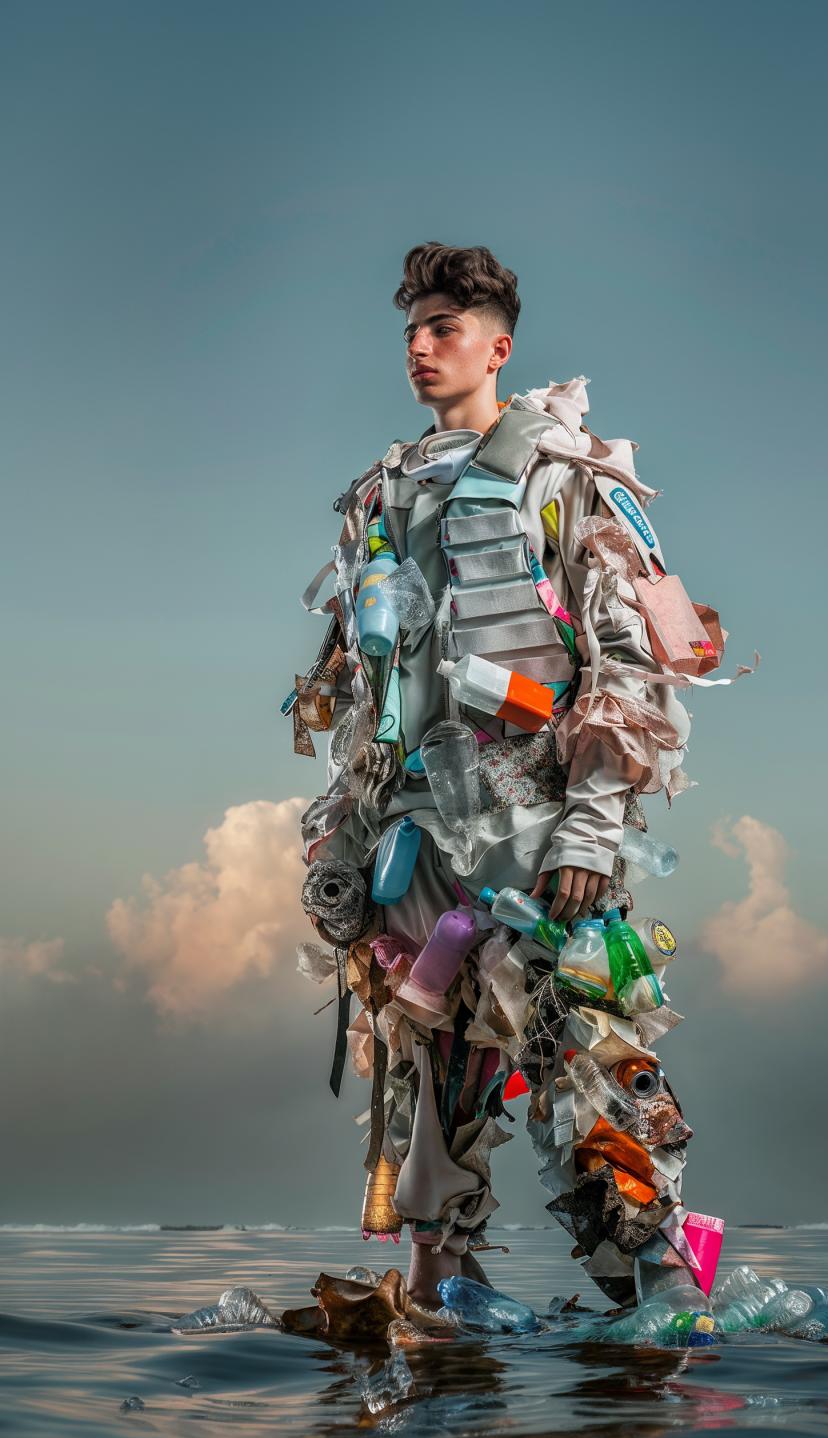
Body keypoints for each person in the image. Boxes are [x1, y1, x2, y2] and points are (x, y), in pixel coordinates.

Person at [288, 243, 724, 1309]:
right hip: (410, 844)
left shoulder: (562, 478)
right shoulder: (378, 500)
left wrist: (588, 827)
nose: (421, 348)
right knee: (421, 1072)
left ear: (499, 345)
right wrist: (340, 845)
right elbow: (360, 691)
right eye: (410, 332)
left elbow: (627, 663)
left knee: (582, 1063)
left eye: (443, 329)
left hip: (535, 830)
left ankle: (665, 1305)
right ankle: (442, 1305)